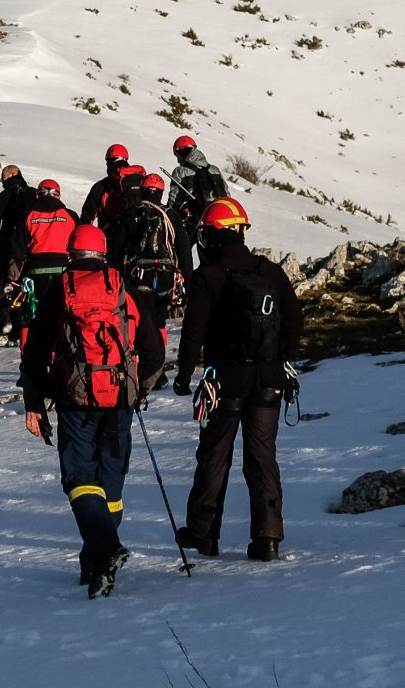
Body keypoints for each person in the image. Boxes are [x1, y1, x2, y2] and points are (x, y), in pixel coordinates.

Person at [175, 198, 303, 562]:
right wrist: (281, 358)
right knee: (262, 456)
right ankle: (268, 538)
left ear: (212, 235)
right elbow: (295, 322)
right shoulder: (271, 272)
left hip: (226, 380)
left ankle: (203, 534)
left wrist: (185, 377)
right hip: (269, 379)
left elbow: (193, 332)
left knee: (215, 455)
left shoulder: (208, 275)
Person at [21, 224, 143, 597]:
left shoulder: (61, 290)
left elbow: (36, 351)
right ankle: (96, 559)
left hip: (74, 399)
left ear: (70, 254)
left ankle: (104, 550)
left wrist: (34, 403)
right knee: (110, 484)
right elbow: (150, 342)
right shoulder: (121, 287)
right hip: (119, 397)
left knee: (78, 479)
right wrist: (138, 389)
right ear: (103, 253)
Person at [114, 170, 180, 391]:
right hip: (164, 278)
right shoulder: (171, 215)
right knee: (159, 322)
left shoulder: (132, 213)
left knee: (139, 321)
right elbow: (183, 252)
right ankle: (159, 372)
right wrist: (186, 280)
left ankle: (140, 366)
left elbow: (117, 248)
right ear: (161, 193)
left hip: (138, 276)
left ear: (142, 190)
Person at [14, 177, 80, 347]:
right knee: (62, 314)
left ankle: (29, 363)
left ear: (38, 195)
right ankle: (60, 355)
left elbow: (18, 251)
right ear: (58, 195)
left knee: (30, 317)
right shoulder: (70, 216)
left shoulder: (28, 216)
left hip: (35, 274)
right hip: (63, 273)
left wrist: (12, 278)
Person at [163, 136, 230, 277]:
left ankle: (186, 285)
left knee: (182, 255)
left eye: (177, 155)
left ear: (180, 152)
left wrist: (168, 218)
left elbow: (174, 200)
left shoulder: (180, 171)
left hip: (194, 222)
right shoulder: (215, 170)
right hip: (220, 222)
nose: (177, 159)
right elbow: (227, 196)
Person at [0, 166, 37, 343]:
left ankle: (5, 324)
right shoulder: (33, 193)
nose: (1, 180)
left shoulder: (5, 195)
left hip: (8, 249)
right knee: (23, 289)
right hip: (31, 251)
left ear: (12, 175)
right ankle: (21, 331)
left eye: (3, 176)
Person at [79, 144, 133, 230]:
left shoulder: (101, 186)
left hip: (108, 236)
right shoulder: (139, 181)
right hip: (136, 238)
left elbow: (87, 216)